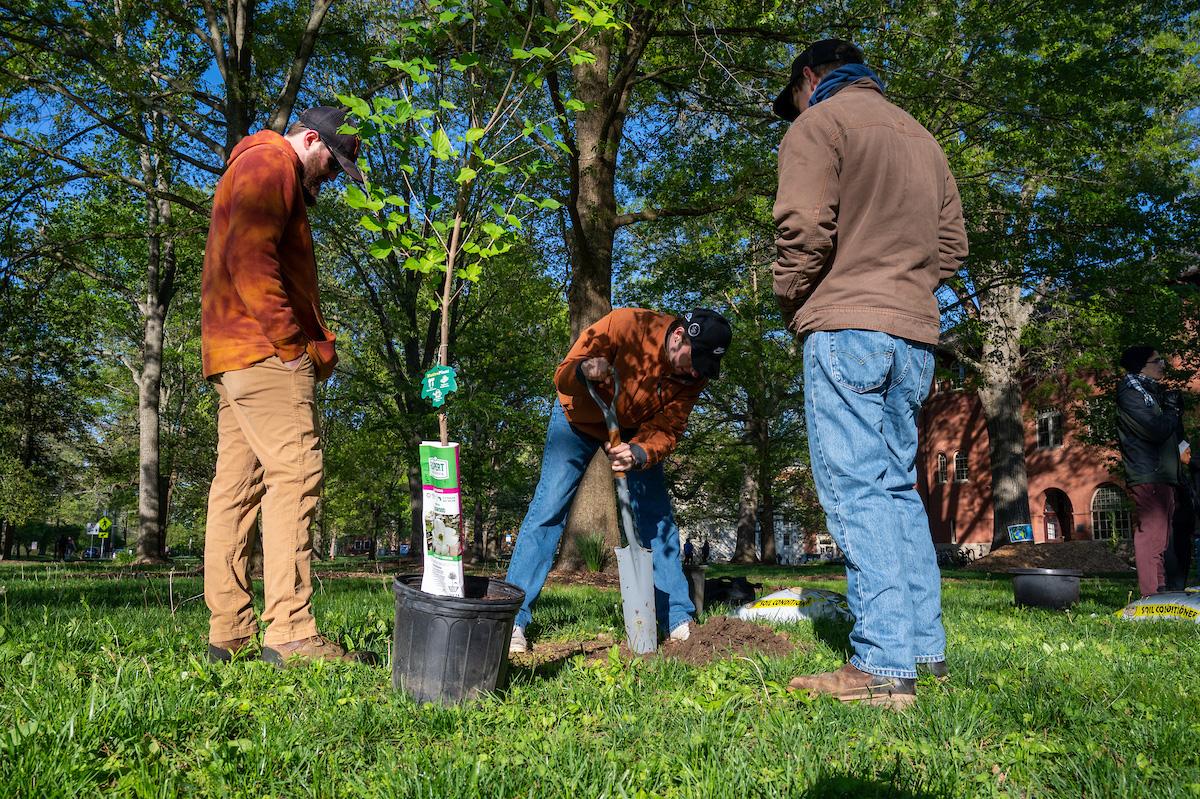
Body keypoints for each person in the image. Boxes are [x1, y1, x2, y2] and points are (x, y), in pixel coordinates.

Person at [771, 39, 968, 708]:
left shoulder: (819, 124)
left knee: (857, 491)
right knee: (896, 489)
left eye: (793, 97)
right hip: (914, 336)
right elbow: (953, 247)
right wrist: (904, 286)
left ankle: (882, 664)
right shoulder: (924, 140)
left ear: (810, 77)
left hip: (845, 325)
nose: (794, 108)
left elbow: (802, 225)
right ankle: (922, 650)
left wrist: (793, 297)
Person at [201, 106, 366, 667]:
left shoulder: (252, 165)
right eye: (332, 161)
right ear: (311, 138)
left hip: (234, 355)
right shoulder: (272, 162)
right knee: (296, 473)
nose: (331, 175)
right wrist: (292, 344)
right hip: (267, 354)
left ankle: (231, 629)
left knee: (237, 489)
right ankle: (291, 631)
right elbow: (250, 258)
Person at [506, 307, 732, 653]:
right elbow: (564, 374)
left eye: (703, 366)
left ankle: (677, 618)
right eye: (693, 359)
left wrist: (639, 452)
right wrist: (584, 369)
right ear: (678, 337)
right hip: (578, 417)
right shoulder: (627, 325)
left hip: (634, 432)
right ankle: (513, 621)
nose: (694, 370)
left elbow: (669, 429)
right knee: (549, 508)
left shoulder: (694, 375)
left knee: (656, 519)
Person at [1116, 346, 1185, 597]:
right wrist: (1171, 411)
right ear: (1142, 366)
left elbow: (1170, 434)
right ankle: (1150, 595)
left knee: (1162, 538)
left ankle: (1160, 591)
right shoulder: (1131, 394)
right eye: (1158, 361)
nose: (1163, 365)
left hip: (1161, 475)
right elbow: (1155, 430)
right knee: (1151, 536)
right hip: (1148, 474)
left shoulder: (1148, 393)